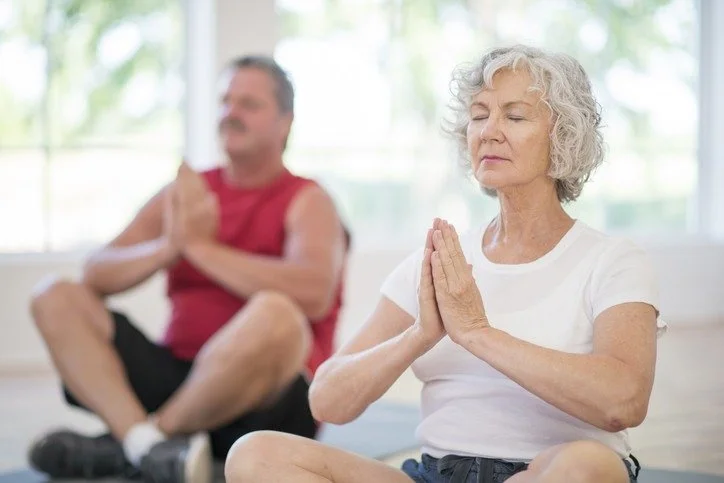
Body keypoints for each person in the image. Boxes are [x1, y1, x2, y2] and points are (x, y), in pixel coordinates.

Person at [223, 45, 666, 483]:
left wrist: (477, 333)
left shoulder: (613, 261)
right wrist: (419, 335)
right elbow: (326, 401)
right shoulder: (439, 261)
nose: (488, 131)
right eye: (478, 115)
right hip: (435, 475)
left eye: (514, 116)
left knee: (586, 466)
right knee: (256, 454)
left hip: (546, 472)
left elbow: (622, 402)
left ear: (564, 135)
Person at [28, 55, 348, 483]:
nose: (230, 113)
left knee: (279, 315)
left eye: (248, 104)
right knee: (55, 295)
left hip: (266, 405)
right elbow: (96, 274)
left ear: (285, 122)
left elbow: (313, 292)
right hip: (178, 380)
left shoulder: (308, 199)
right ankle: (148, 446)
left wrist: (199, 248)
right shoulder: (187, 194)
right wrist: (167, 248)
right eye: (225, 101)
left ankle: (135, 446)